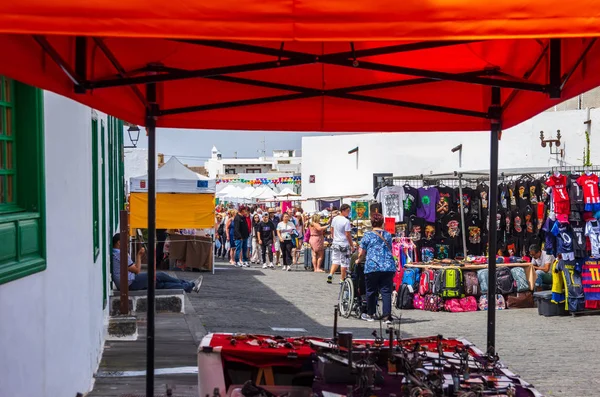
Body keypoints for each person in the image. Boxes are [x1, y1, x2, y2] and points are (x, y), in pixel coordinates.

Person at [111, 234, 201, 293]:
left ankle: (190, 286)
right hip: (130, 282)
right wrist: (139, 255)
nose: (127, 244)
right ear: (119, 243)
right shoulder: (120, 254)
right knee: (159, 275)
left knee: (161, 285)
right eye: (126, 242)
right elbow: (137, 270)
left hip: (127, 282)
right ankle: (189, 284)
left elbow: (131, 269)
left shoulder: (116, 253)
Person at [356, 213, 396, 322]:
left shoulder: (367, 235)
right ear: (382, 222)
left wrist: (358, 260)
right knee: (386, 291)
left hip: (372, 266)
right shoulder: (388, 235)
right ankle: (387, 316)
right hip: (387, 266)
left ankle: (370, 314)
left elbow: (362, 252)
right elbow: (389, 249)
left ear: (371, 222)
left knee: (371, 291)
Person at [327, 204, 354, 284]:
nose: (348, 213)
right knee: (344, 262)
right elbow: (347, 234)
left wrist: (333, 237)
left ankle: (330, 274)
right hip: (343, 243)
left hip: (336, 242)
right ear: (343, 211)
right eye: (348, 211)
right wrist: (351, 245)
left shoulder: (335, 219)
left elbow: (332, 229)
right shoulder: (346, 221)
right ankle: (342, 279)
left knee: (335, 260)